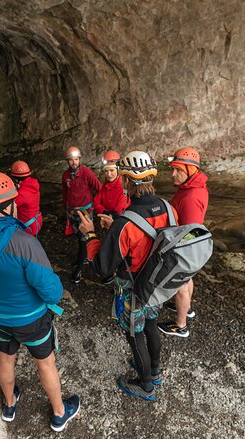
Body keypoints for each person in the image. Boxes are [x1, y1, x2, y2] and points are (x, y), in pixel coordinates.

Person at [0, 172, 81, 432]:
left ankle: (9, 404)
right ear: (7, 205)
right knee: (45, 363)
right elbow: (52, 292)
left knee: (5, 358)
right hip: (31, 319)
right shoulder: (24, 243)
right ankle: (58, 413)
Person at [77, 150, 182, 401]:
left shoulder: (125, 223)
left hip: (133, 289)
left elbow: (102, 267)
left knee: (134, 334)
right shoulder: (169, 209)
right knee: (151, 325)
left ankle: (146, 385)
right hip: (157, 284)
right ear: (150, 179)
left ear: (125, 182)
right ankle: (154, 371)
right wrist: (113, 227)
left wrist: (91, 235)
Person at [158, 147, 209, 338]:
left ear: (190, 170)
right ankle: (186, 308)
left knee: (179, 283)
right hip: (193, 246)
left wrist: (175, 250)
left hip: (185, 247)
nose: (173, 174)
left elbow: (189, 231)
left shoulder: (191, 197)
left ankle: (181, 325)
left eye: (178, 170)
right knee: (188, 279)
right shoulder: (196, 187)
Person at [61, 146, 101, 284]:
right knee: (79, 237)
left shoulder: (86, 173)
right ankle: (82, 257)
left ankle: (79, 267)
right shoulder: (66, 175)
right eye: (71, 160)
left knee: (85, 237)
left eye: (76, 159)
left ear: (80, 159)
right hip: (73, 211)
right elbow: (65, 192)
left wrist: (96, 205)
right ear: (67, 161)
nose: (74, 163)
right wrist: (65, 206)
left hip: (85, 211)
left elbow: (98, 188)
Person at [10, 160, 43, 236]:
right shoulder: (33, 184)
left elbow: (10, 207)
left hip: (28, 225)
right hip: (36, 220)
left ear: (16, 178)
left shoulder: (22, 193)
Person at [93, 150, 129, 218]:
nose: (109, 175)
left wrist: (106, 214)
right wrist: (104, 212)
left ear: (118, 170)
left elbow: (119, 210)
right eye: (106, 171)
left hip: (120, 222)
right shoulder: (105, 185)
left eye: (112, 170)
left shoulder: (124, 187)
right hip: (107, 220)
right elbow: (96, 202)